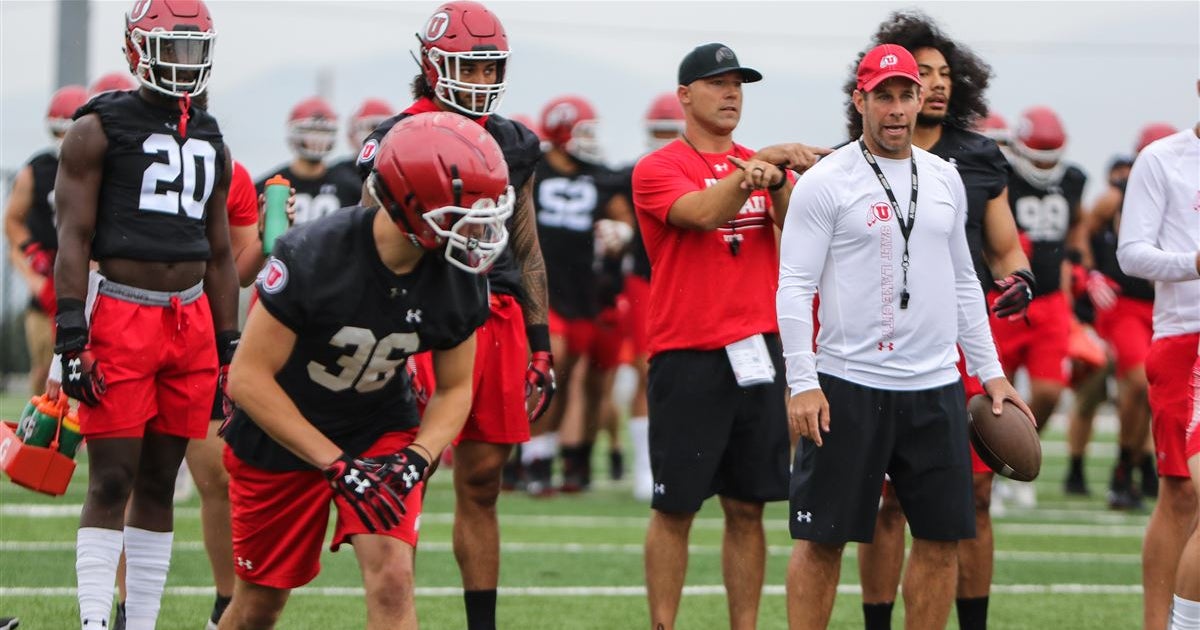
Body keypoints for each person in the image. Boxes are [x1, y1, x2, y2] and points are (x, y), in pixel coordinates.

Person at [218, 110, 510, 630]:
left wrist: (418, 458)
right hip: (281, 434)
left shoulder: (459, 274)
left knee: (394, 580)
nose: (480, 225)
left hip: (379, 424)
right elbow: (248, 380)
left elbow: (456, 388)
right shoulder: (312, 255)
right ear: (412, 201)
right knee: (259, 606)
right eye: (466, 208)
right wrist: (336, 465)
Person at [779, 43, 1032, 630]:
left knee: (942, 539)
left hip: (936, 385)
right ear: (859, 100)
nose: (896, 109)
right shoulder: (827, 180)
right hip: (847, 383)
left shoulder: (946, 178)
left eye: (906, 95)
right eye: (883, 96)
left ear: (921, 98)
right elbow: (793, 287)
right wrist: (801, 381)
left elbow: (966, 282)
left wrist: (990, 373)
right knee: (823, 541)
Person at [355, 3, 551, 628]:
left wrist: (541, 339)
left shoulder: (516, 140)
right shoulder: (398, 133)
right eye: (470, 65)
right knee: (405, 470)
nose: (482, 78)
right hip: (419, 307)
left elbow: (526, 243)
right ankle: (396, 608)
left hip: (495, 309)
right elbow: (367, 231)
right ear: (433, 64)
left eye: (491, 65)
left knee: (484, 479)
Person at [54, 2, 239, 628]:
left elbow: (218, 253)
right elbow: (73, 239)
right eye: (171, 48)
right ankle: (92, 620)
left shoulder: (211, 135)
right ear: (136, 50)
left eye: (193, 49)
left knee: (161, 483)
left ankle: (141, 623)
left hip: (190, 323)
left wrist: (230, 343)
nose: (183, 64)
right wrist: (70, 332)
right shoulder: (96, 127)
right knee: (111, 481)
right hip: (121, 316)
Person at [632, 42, 824, 630]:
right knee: (676, 506)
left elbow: (794, 230)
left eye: (738, 83)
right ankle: (663, 623)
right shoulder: (658, 167)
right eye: (717, 83)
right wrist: (756, 172)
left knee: (749, 508)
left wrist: (784, 181)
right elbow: (700, 214)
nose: (732, 93)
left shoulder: (756, 162)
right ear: (685, 96)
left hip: (761, 352)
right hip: (688, 354)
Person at [523, 94, 634, 495]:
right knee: (550, 369)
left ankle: (551, 455)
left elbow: (624, 219)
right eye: (582, 130)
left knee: (569, 380)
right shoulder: (532, 172)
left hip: (586, 293)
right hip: (543, 290)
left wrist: (622, 234)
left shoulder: (600, 177)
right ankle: (531, 459)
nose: (589, 139)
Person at [1117, 114, 1199, 630]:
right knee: (1180, 495)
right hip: (1186, 339)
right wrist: (1194, 263)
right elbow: (1131, 255)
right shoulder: (1163, 159)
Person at [3, 85, 88, 396]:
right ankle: (37, 433)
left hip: (83, 280)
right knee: (43, 367)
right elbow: (11, 222)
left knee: (83, 366)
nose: (63, 140)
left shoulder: (100, 166)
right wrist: (32, 263)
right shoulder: (37, 170)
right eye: (57, 131)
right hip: (47, 282)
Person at [624, 92, 685, 501]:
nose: (664, 139)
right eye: (658, 131)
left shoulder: (704, 170)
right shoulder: (635, 173)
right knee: (648, 373)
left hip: (688, 283)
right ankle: (646, 468)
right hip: (646, 282)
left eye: (670, 131)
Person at [255, 96, 362, 224]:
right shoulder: (267, 187)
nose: (316, 139)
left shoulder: (351, 188)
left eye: (323, 132)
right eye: (310, 131)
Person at [328, 98, 395, 180]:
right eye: (372, 127)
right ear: (351, 136)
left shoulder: (401, 169)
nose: (380, 134)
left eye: (385, 128)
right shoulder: (335, 175)